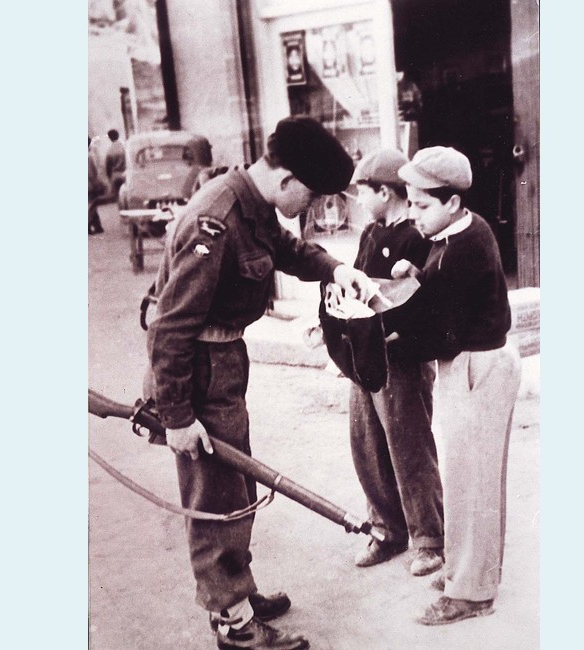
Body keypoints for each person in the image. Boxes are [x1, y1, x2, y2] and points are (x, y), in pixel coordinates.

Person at [145, 116, 376, 650]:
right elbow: (170, 326)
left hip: (223, 361)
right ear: (287, 178)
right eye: (312, 197)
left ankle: (236, 594)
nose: (313, 208)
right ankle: (234, 623)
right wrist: (177, 417)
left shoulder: (252, 204)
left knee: (235, 488)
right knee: (215, 498)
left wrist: (335, 269)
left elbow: (287, 251)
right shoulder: (216, 220)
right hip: (198, 369)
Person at [389, 146, 522, 626]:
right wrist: (415, 274)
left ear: (452, 202)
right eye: (410, 202)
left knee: (473, 484)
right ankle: (468, 573)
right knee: (469, 479)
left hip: (476, 368)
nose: (412, 213)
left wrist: (384, 333)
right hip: (471, 362)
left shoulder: (463, 247)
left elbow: (439, 327)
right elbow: (440, 289)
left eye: (421, 205)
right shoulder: (459, 231)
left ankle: (471, 593)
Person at [346, 148, 444, 577]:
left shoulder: (416, 236)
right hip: (363, 357)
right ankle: (387, 530)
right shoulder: (370, 233)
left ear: (384, 192)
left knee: (409, 448)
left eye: (362, 192)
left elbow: (426, 303)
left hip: (401, 361)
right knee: (367, 445)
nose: (358, 200)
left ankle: (429, 539)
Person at [88, 137, 106, 235]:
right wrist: (97, 184)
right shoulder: (89, 157)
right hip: (89, 185)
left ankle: (98, 226)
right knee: (92, 205)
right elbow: (91, 174)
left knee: (92, 205)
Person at [104, 128, 126, 198]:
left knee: (117, 197)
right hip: (125, 173)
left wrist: (109, 178)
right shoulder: (124, 146)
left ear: (110, 138)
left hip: (115, 175)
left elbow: (108, 167)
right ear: (118, 135)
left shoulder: (110, 150)